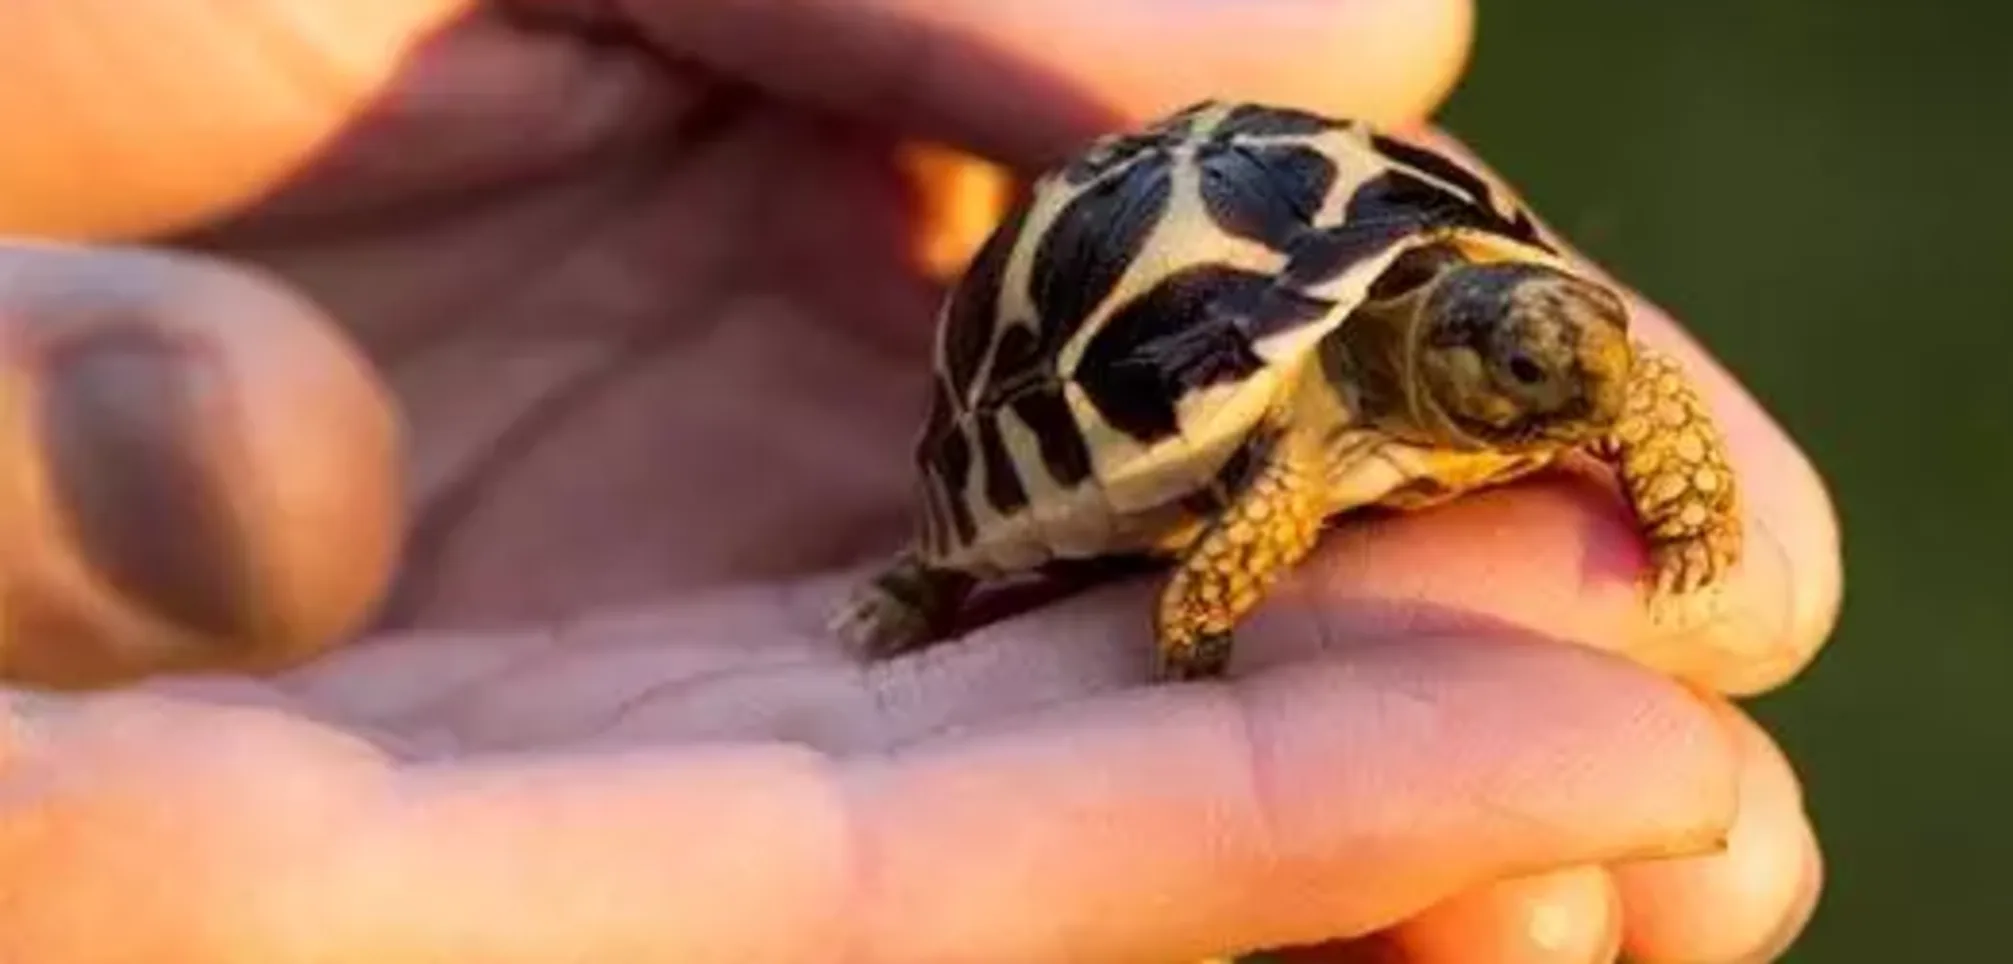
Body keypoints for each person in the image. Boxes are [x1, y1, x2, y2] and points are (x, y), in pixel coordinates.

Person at [0, 1, 1843, 960]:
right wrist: (1198, 627)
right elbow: (1264, 492)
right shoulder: (1302, 408)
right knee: (1240, 521)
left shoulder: (1532, 334)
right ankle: (925, 577)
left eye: (1562, 358)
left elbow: (1609, 387)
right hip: (1154, 322)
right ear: (1432, 353)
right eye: (1521, 360)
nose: (1557, 383)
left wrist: (1668, 499)